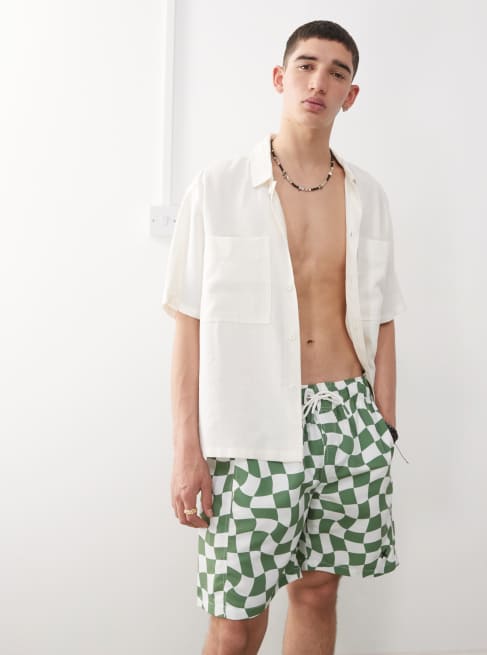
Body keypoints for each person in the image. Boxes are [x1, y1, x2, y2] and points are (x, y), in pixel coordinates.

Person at [162, 19, 408, 655]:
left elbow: (384, 315)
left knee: (318, 591)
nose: (319, 82)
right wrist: (187, 448)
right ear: (280, 76)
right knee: (236, 619)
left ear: (351, 94)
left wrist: (384, 421)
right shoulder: (217, 188)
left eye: (337, 72)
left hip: (347, 416)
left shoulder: (368, 195)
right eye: (306, 65)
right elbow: (188, 321)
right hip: (249, 427)